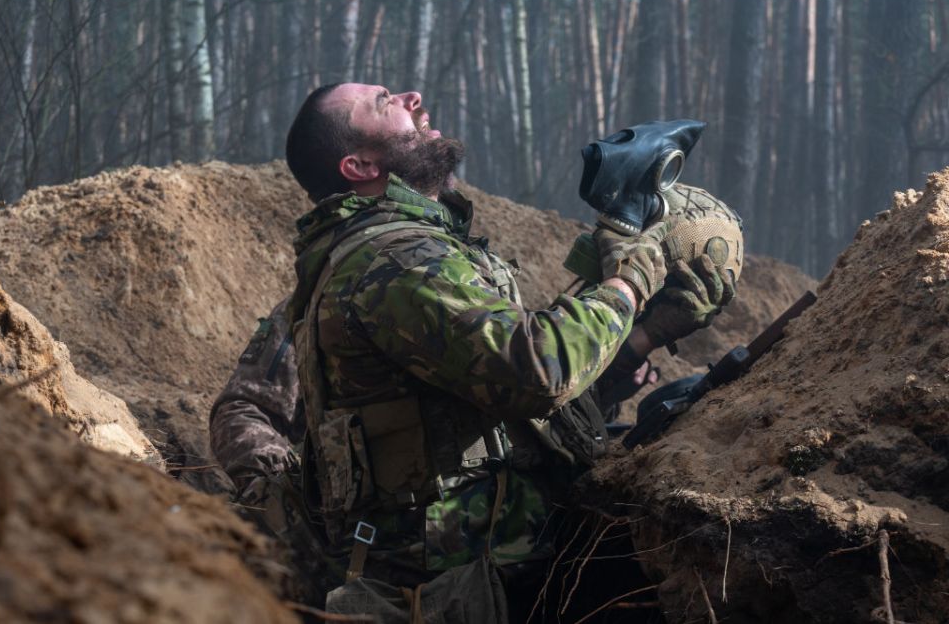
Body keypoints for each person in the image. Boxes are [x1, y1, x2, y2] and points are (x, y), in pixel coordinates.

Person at [212, 82, 734, 621]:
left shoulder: (431, 258)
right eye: (384, 100)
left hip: (509, 547)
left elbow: (502, 418)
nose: (412, 96)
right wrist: (631, 276)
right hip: (476, 575)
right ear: (360, 165)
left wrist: (639, 340)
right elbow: (538, 371)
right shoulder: (394, 263)